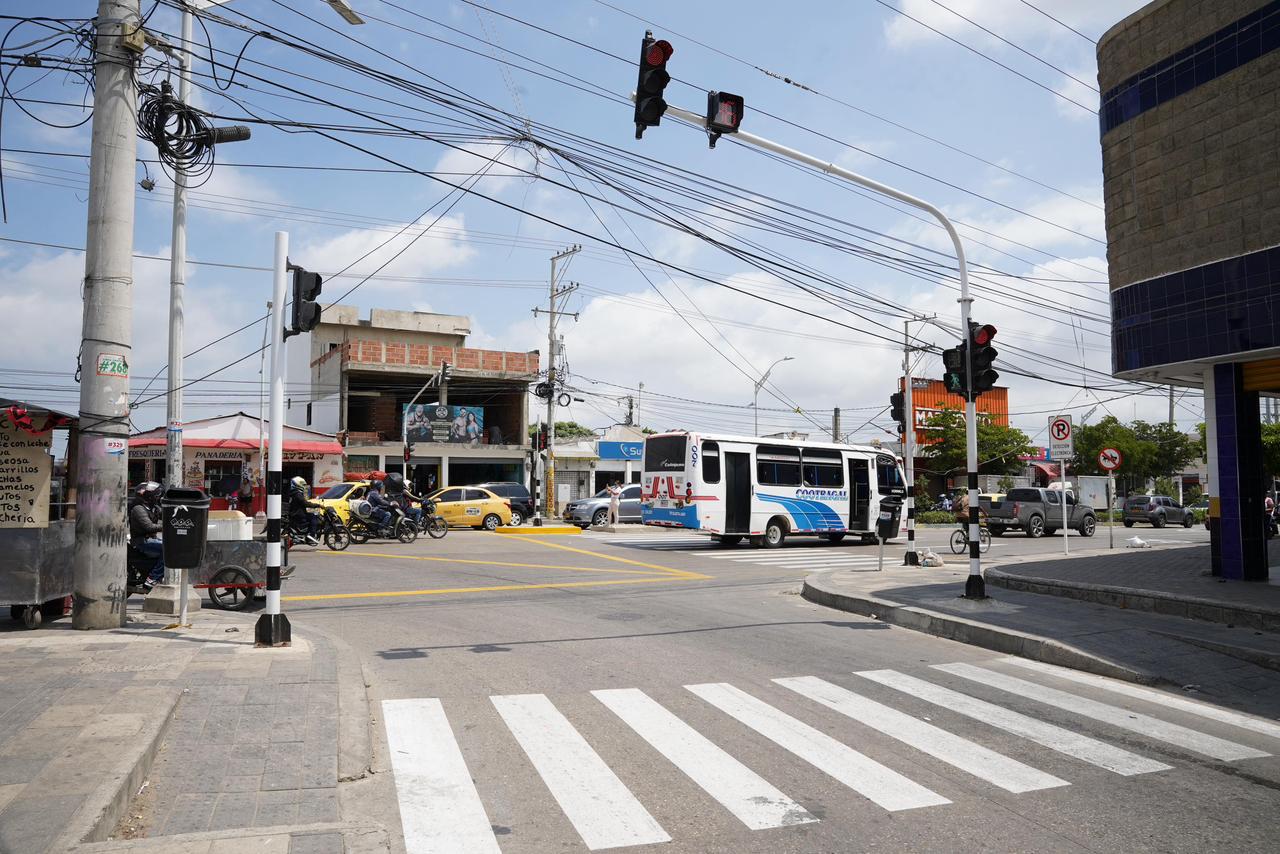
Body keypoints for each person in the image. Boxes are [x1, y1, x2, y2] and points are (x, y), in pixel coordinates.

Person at [128, 481, 165, 589]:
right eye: (157, 496)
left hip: (150, 539)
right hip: (141, 542)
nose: (158, 498)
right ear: (150, 496)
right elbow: (149, 527)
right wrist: (167, 527)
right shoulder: (138, 509)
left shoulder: (153, 508)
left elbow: (167, 516)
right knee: (169, 550)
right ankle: (152, 578)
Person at [288, 476, 323, 545]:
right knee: (314, 516)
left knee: (311, 514)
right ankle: (311, 535)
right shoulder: (297, 494)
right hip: (297, 514)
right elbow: (305, 503)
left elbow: (303, 503)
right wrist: (316, 505)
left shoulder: (294, 493)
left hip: (296, 512)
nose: (304, 486)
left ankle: (307, 533)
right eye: (302, 484)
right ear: (298, 484)